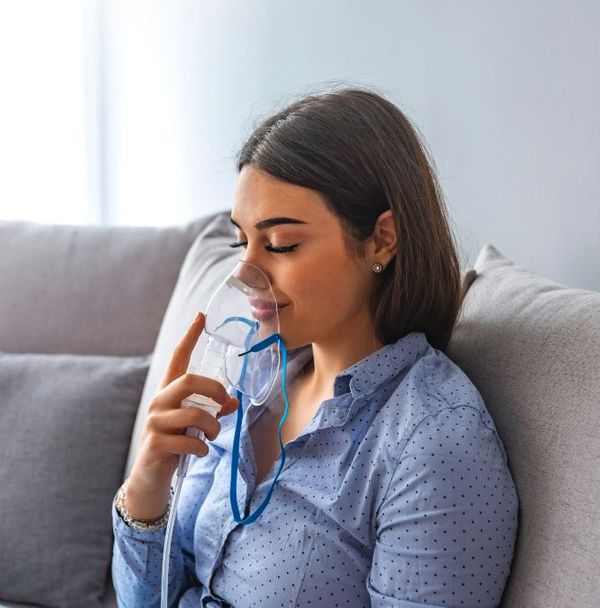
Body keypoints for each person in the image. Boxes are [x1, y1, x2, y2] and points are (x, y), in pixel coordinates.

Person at [111, 87, 519, 607]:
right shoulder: (247, 382)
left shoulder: (434, 441)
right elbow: (147, 599)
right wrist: (149, 478)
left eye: (281, 244)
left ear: (381, 240)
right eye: (243, 242)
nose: (246, 273)